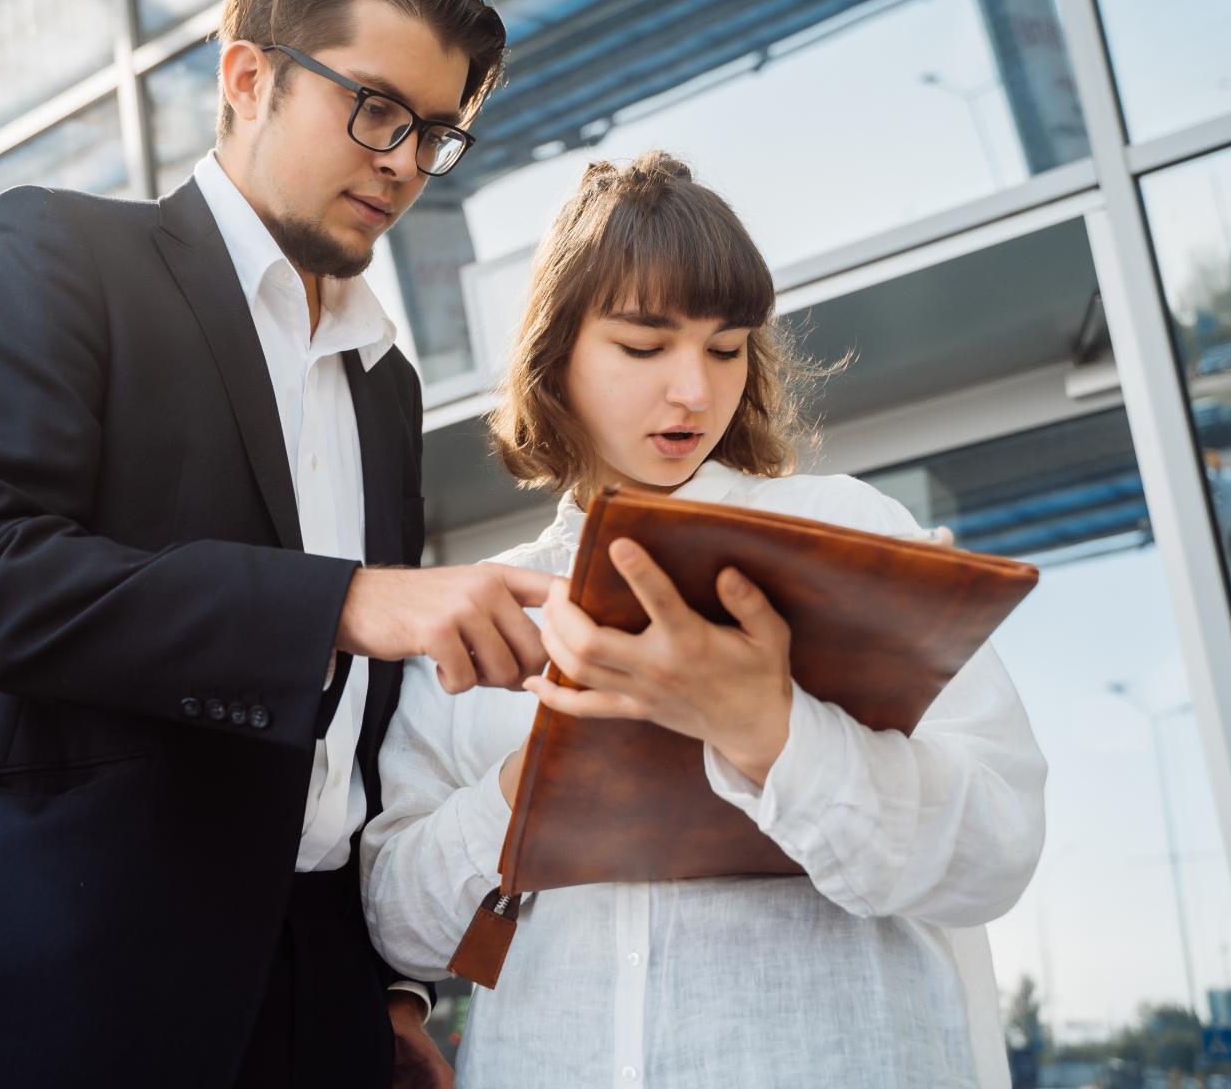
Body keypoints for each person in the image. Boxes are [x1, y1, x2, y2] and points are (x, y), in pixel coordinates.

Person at [0, 0, 552, 1089]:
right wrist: (339, 602)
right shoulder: (58, 257)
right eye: (376, 108)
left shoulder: (383, 381)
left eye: (434, 132)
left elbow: (350, 745)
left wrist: (386, 989)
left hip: (317, 1008)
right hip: (67, 1006)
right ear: (247, 77)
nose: (402, 161)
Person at [360, 149, 1047, 1088]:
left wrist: (770, 734)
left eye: (726, 347)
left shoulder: (851, 531)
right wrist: (534, 784)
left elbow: (995, 852)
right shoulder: (486, 606)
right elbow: (400, 925)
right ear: (555, 352)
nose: (694, 391)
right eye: (645, 348)